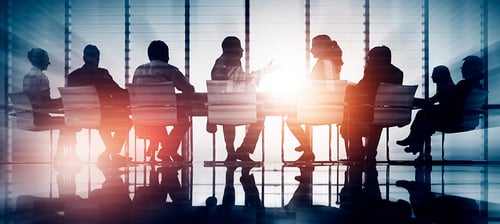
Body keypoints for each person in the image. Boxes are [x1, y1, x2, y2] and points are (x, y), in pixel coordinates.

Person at [396, 56, 485, 162]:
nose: (462, 69)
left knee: (423, 116)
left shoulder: (464, 85)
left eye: (464, 67)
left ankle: (415, 143)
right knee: (424, 117)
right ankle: (416, 144)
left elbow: (452, 105)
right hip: (463, 120)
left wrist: (417, 101)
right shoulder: (476, 86)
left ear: (471, 69)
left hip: (454, 120)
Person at [209, 36, 273, 162]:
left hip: (222, 110)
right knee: (260, 116)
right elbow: (244, 81)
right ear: (233, 49)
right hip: (236, 107)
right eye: (239, 47)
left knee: (228, 116)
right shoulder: (233, 61)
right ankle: (244, 150)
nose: (242, 50)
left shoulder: (218, 63)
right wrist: (264, 72)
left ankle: (231, 152)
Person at [67, 44, 132, 164]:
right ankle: (109, 153)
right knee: (127, 122)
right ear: (97, 58)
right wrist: (132, 94)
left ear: (84, 58)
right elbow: (117, 92)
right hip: (101, 117)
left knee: (103, 120)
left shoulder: (72, 76)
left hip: (78, 118)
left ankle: (110, 154)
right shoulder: (101, 74)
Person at [132, 40, 195, 162]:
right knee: (183, 121)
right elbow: (188, 89)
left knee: (158, 121)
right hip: (163, 114)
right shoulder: (170, 70)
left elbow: (133, 92)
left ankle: (168, 150)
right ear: (166, 55)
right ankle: (167, 150)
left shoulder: (138, 70)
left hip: (142, 116)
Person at [341, 45, 404, 165]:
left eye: (369, 58)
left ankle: (356, 152)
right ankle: (370, 153)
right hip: (389, 114)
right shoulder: (398, 73)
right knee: (376, 116)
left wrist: (349, 89)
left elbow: (362, 88)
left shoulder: (372, 69)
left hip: (370, 112)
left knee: (352, 112)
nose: (368, 60)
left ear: (375, 58)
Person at [286, 34, 344, 162]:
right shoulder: (334, 64)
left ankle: (307, 149)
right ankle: (306, 148)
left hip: (319, 110)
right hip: (332, 110)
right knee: (293, 113)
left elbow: (319, 88)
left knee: (290, 120)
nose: (311, 50)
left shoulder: (323, 63)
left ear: (322, 48)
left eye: (313, 46)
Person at [22, 48, 77, 162]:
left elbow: (37, 101)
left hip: (30, 117)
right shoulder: (42, 77)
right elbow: (46, 104)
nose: (49, 62)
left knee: (67, 122)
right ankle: (65, 155)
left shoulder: (26, 77)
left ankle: (64, 155)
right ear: (41, 60)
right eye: (47, 59)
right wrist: (62, 100)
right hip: (40, 118)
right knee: (70, 123)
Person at [396, 65, 455, 157]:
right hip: (447, 116)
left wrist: (413, 101)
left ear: (441, 76)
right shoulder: (448, 87)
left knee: (422, 116)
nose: (431, 77)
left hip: (447, 118)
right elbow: (432, 101)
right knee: (423, 120)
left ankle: (413, 142)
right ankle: (415, 144)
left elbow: (431, 101)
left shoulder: (447, 88)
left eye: (434, 74)